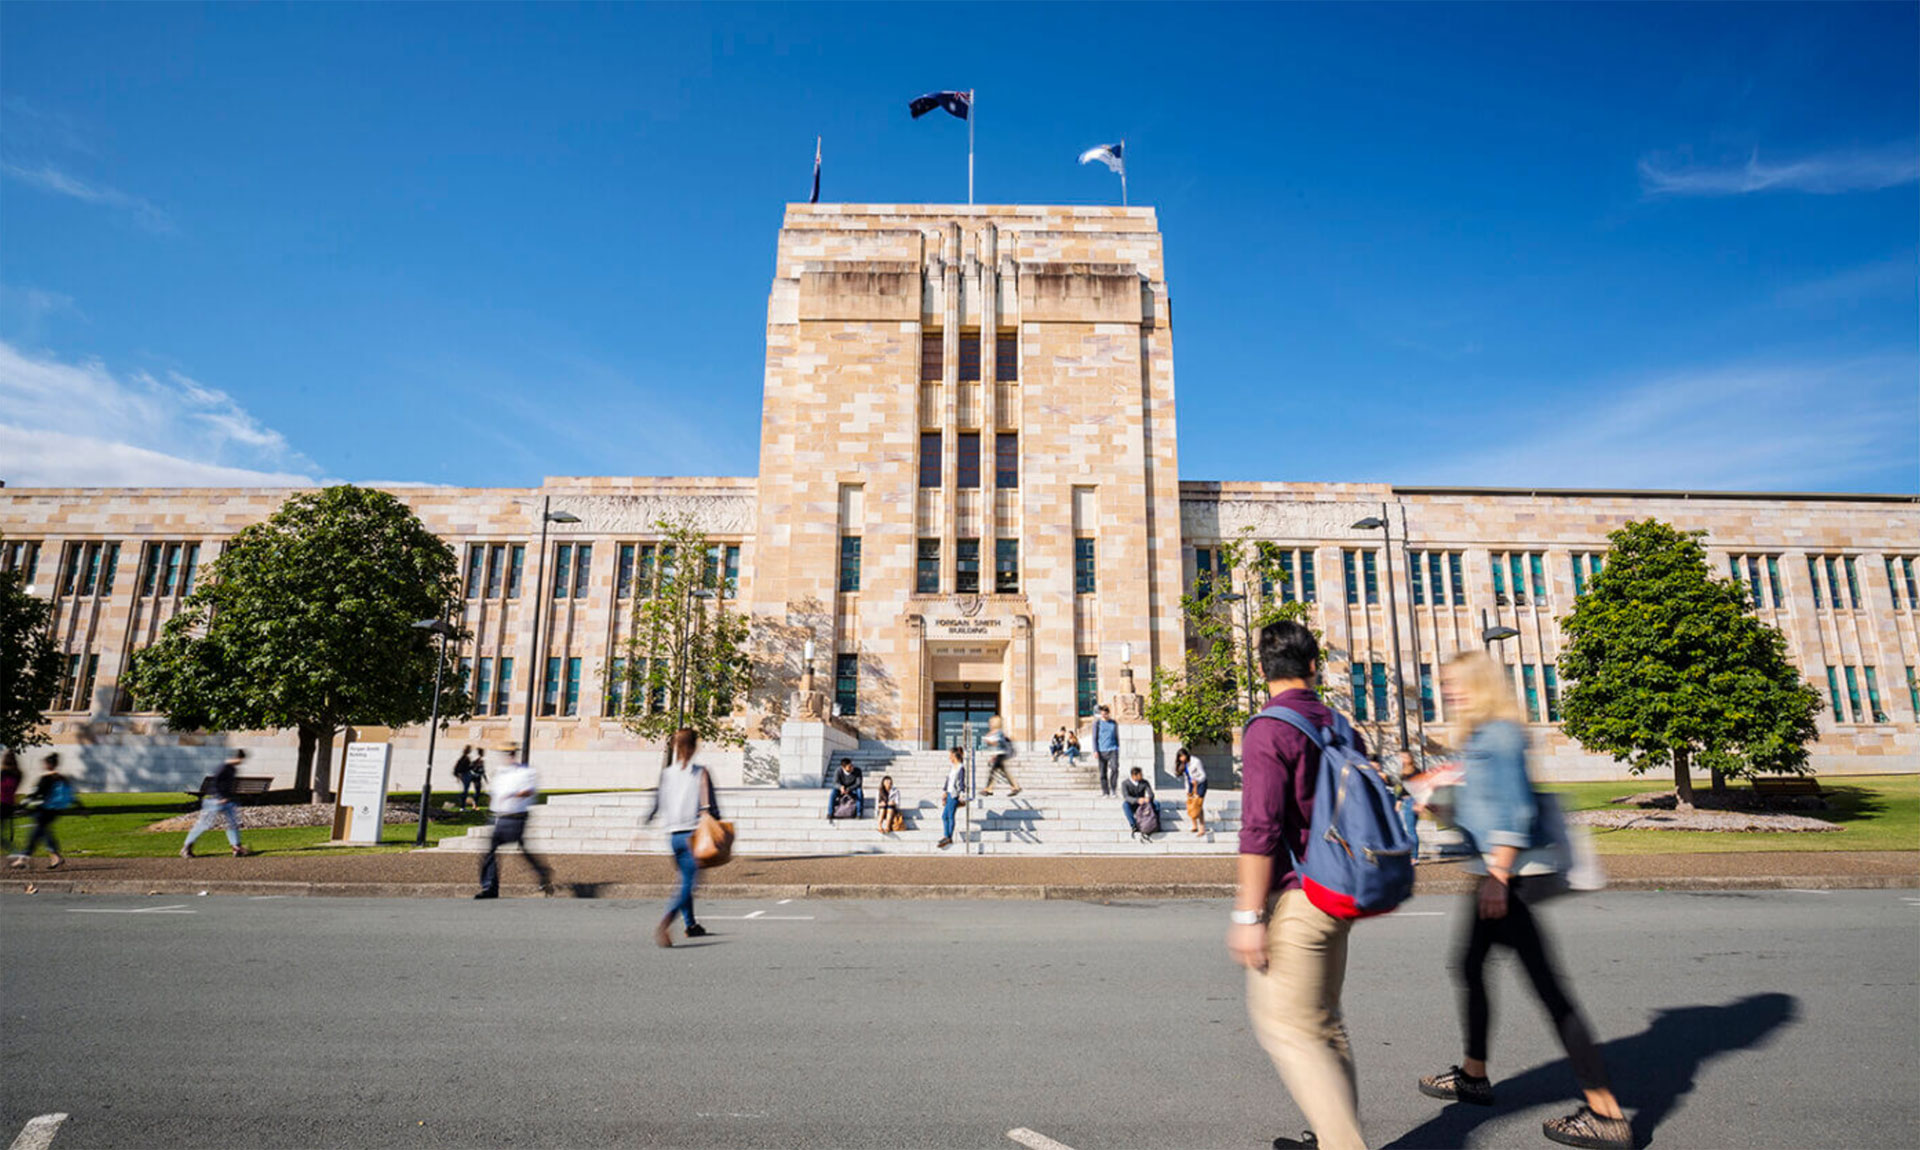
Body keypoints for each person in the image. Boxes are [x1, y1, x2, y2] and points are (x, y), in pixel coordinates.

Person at [1416, 651, 1631, 1150]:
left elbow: (1513, 809)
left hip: (1510, 877)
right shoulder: (1479, 737)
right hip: (1496, 872)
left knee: (1548, 991)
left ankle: (1607, 1113)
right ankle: (1473, 1073)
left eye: (1455, 683)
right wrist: (1438, 802)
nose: (1448, 692)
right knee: (1469, 967)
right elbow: (1480, 812)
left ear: (1480, 683)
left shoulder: (1500, 734)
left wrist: (1496, 876)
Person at [1228, 620, 1369, 1150]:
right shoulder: (1338, 722)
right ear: (1314, 667)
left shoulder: (1269, 728)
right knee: (1325, 1025)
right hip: (1342, 887)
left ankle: (1343, 1144)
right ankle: (1331, 1135)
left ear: (1264, 672)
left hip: (1300, 896)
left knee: (1285, 1027)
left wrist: (1247, 915)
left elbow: (1259, 828)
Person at [647, 727, 721, 946]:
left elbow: (657, 804)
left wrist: (648, 819)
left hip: (673, 836)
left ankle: (690, 924)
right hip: (692, 834)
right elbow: (711, 805)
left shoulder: (667, 773)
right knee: (689, 882)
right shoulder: (700, 773)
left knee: (684, 878)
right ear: (693, 746)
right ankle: (665, 923)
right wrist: (719, 827)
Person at [475, 743, 553, 900]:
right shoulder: (500, 773)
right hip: (500, 816)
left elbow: (529, 791)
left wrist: (512, 795)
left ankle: (490, 887)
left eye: (510, 754)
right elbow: (494, 793)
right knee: (502, 851)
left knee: (494, 850)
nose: (508, 757)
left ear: (515, 755)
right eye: (505, 754)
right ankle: (541, 873)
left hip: (516, 816)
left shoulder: (526, 772)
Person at [9, 753, 79, 870]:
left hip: (44, 810)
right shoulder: (63, 779)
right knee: (43, 831)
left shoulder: (46, 779)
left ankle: (24, 858)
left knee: (37, 832)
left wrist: (21, 805)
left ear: (48, 765)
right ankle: (54, 855)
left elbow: (35, 794)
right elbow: (71, 796)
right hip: (56, 810)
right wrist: (81, 808)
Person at [180, 750, 252, 858]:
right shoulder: (223, 768)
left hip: (227, 801)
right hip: (215, 801)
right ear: (236, 758)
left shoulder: (232, 769)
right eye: (240, 759)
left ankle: (236, 847)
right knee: (203, 824)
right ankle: (187, 847)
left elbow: (228, 786)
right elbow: (215, 784)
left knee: (232, 824)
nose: (241, 762)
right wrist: (219, 797)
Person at [979, 715, 1020, 796]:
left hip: (1002, 754)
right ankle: (1015, 787)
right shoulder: (996, 732)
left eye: (991, 722)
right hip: (999, 754)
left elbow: (998, 743)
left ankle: (988, 789)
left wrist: (988, 740)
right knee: (1001, 771)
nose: (989, 724)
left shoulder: (999, 732)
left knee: (993, 771)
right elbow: (996, 746)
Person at [937, 746, 965, 850]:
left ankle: (948, 837)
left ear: (954, 756)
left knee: (950, 815)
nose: (949, 757)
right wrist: (944, 792)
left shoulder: (961, 767)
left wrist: (962, 794)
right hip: (949, 793)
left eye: (950, 755)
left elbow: (961, 781)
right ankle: (947, 836)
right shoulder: (953, 767)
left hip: (954, 794)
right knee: (944, 816)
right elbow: (948, 780)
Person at [1178, 746, 1209, 835]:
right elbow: (1186, 778)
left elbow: (1203, 775)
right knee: (1191, 804)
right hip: (1191, 784)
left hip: (1200, 783)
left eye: (1182, 756)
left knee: (1198, 804)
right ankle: (1194, 825)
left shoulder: (1196, 761)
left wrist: (1197, 781)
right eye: (1180, 757)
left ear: (1186, 755)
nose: (1181, 759)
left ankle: (1202, 827)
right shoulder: (1184, 764)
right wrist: (1187, 789)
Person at [1121, 766, 1156, 840]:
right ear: (1134, 776)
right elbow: (1126, 796)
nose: (1142, 776)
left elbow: (1151, 794)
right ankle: (1134, 825)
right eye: (1140, 775)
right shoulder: (1125, 783)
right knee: (1125, 805)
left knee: (1157, 804)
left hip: (1143, 804)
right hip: (1133, 804)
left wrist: (1149, 798)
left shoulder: (1145, 782)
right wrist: (1137, 800)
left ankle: (1155, 823)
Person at [1093, 705, 1121, 796]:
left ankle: (1113, 789)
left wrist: (1118, 747)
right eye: (1103, 714)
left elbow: (1117, 736)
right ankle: (1105, 791)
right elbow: (1094, 738)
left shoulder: (1113, 723)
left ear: (1108, 713)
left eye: (1106, 714)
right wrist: (1095, 750)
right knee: (1102, 772)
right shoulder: (1097, 723)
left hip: (1113, 749)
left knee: (1114, 768)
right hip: (1101, 750)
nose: (1104, 715)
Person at [827, 757, 864, 821]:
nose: (852, 768)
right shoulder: (838, 771)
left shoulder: (857, 770)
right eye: (849, 767)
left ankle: (859, 813)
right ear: (843, 767)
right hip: (842, 788)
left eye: (852, 765)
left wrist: (849, 789)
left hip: (853, 788)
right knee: (833, 792)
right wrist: (840, 787)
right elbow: (835, 782)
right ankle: (830, 813)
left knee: (859, 791)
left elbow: (858, 783)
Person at [1, 750, 21, 851]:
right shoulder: (17, 774)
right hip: (10, 804)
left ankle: (17, 854)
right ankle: (17, 854)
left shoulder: (3, 773)